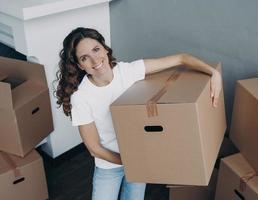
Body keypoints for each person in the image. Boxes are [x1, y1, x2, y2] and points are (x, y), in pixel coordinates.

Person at [54, 27, 222, 200]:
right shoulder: (81, 97)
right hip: (109, 166)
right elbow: (94, 149)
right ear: (80, 65)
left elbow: (181, 58)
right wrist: (130, 162)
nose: (95, 59)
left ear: (105, 48)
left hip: (138, 156)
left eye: (96, 50)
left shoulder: (128, 71)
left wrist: (213, 73)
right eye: (84, 58)